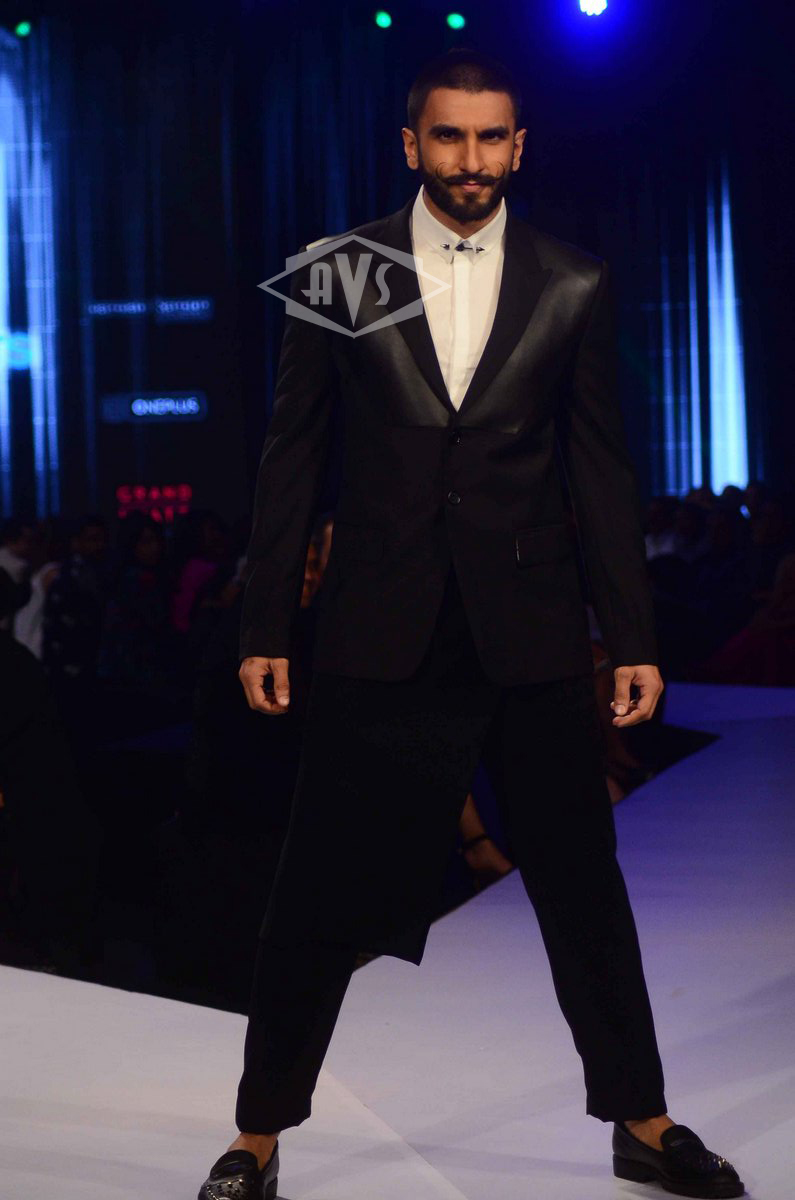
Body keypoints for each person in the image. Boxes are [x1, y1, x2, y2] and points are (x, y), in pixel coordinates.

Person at [198, 49, 743, 1200]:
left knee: (582, 884)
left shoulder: (572, 280)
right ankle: (256, 1137)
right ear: (413, 144)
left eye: (492, 137)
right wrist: (265, 621)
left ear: (519, 147)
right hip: (378, 623)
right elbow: (292, 453)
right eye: (450, 136)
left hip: (529, 626)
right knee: (315, 890)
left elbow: (599, 469)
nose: (471, 159)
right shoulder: (345, 270)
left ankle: (642, 1121)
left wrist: (632, 636)